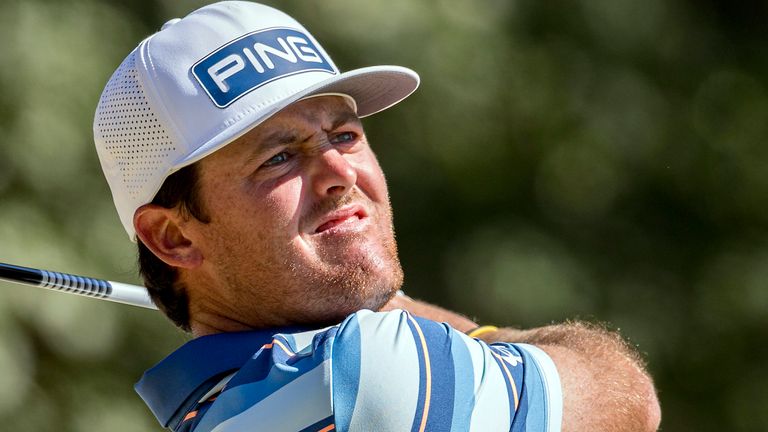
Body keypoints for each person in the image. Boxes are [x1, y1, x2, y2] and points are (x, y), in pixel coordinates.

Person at [93, 2, 661, 431]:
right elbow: (625, 396)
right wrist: (418, 318)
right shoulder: (367, 373)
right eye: (279, 157)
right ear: (171, 236)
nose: (340, 171)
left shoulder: (208, 411)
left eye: (344, 134)